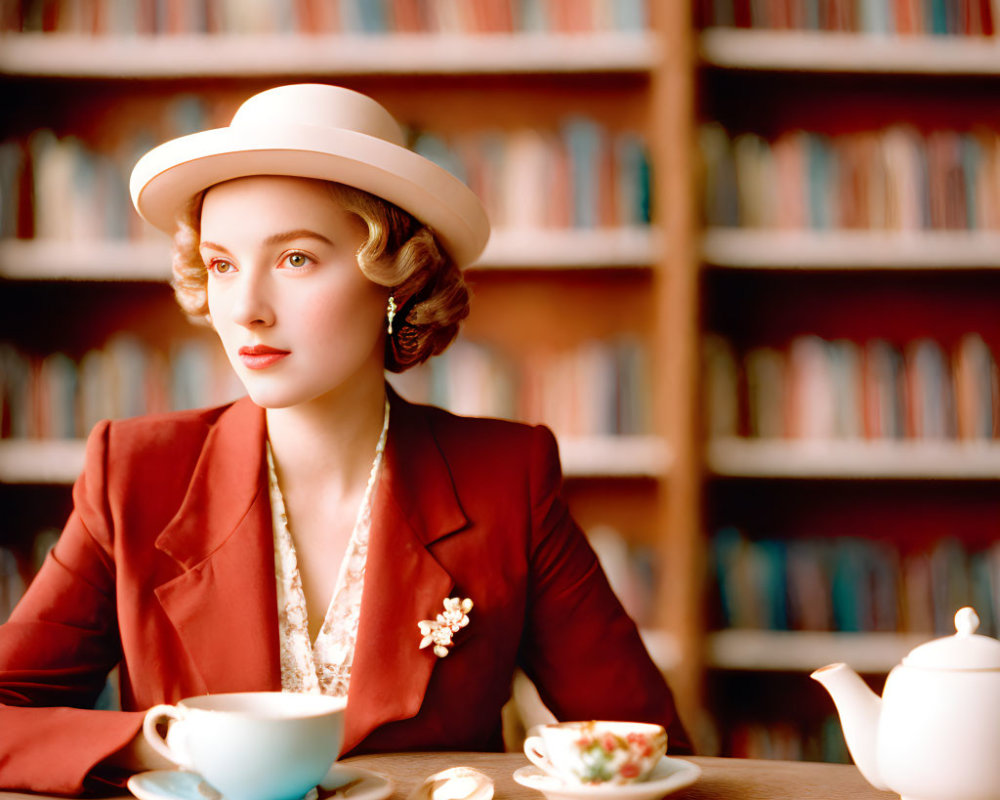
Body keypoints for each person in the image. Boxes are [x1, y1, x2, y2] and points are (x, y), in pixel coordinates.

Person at [0, 84, 690, 795]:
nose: (245, 310)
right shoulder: (135, 473)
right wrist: (163, 745)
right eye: (223, 264)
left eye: (295, 258)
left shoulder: (508, 477)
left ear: (395, 277)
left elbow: (643, 744)